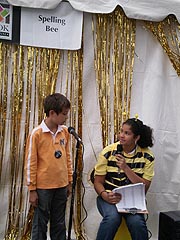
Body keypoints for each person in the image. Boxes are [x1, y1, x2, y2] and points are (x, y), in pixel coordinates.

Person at [94, 117, 155, 240]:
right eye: (121, 131)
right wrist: (105, 195)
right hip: (109, 197)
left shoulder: (147, 156)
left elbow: (144, 188)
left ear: (136, 138)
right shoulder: (108, 152)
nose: (121, 135)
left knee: (137, 223)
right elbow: (98, 182)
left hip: (133, 201)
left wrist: (126, 168)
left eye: (127, 133)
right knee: (112, 218)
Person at [25, 93, 73, 240]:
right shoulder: (37, 134)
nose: (66, 117)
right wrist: (32, 189)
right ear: (52, 113)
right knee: (40, 222)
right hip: (43, 188)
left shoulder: (64, 131)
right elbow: (30, 163)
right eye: (64, 114)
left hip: (61, 185)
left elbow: (68, 157)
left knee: (59, 222)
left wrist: (69, 181)